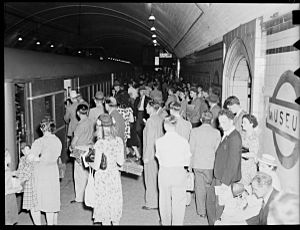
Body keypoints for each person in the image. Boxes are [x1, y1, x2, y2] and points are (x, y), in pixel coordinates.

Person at [206, 109, 242, 225]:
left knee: (219, 208)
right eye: (220, 122)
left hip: (224, 180)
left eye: (224, 122)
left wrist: (225, 184)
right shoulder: (227, 134)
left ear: (232, 121)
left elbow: (233, 162)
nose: (221, 125)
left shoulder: (234, 137)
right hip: (218, 177)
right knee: (210, 203)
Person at [87, 114, 125, 225]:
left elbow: (96, 165)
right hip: (114, 177)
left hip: (102, 178)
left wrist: (88, 161)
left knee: (105, 212)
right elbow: (120, 162)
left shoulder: (99, 143)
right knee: (114, 207)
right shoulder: (119, 141)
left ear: (99, 127)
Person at [155, 115, 191, 225]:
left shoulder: (159, 141)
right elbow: (187, 161)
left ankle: (165, 222)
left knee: (164, 200)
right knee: (179, 201)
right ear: (176, 125)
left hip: (165, 172)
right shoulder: (184, 141)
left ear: (165, 126)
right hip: (179, 172)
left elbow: (159, 157)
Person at [29, 118, 62, 225]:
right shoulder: (58, 141)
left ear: (42, 129)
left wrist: (35, 158)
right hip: (53, 172)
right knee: (51, 202)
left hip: (40, 174)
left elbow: (31, 158)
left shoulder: (39, 142)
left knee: (36, 203)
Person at [190, 111, 221, 218]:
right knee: (209, 187)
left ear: (201, 120)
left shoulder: (194, 131)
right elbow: (218, 150)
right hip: (210, 164)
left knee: (199, 187)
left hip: (197, 163)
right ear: (212, 120)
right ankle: (209, 209)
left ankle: (201, 211)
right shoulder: (216, 133)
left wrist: (189, 165)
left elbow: (191, 149)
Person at [142, 100, 164, 210]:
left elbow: (150, 140)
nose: (145, 108)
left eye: (147, 106)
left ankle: (151, 203)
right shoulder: (160, 119)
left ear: (151, 107)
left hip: (151, 153)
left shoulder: (151, 121)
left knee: (149, 179)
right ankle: (157, 201)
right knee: (156, 178)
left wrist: (146, 156)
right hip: (158, 153)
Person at [69, 104, 94, 204]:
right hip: (90, 148)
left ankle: (79, 198)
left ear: (78, 113)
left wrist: (71, 147)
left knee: (79, 175)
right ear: (87, 112)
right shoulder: (91, 122)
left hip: (80, 149)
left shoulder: (80, 125)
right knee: (89, 173)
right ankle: (90, 195)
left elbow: (74, 142)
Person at [170, 101, 193, 205]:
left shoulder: (172, 123)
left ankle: (177, 198)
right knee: (185, 176)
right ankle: (187, 199)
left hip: (175, 154)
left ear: (172, 110)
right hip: (186, 153)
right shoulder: (188, 124)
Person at [13, 143, 38, 214]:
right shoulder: (22, 159)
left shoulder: (33, 159)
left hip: (33, 183)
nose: (27, 152)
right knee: (31, 207)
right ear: (22, 151)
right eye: (24, 150)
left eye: (28, 149)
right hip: (26, 185)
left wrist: (19, 181)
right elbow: (19, 171)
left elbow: (28, 172)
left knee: (36, 206)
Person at [239, 114, 259, 186]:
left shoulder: (254, 137)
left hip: (248, 166)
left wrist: (239, 154)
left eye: (244, 122)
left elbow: (253, 153)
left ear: (251, 124)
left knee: (246, 187)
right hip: (241, 165)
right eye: (242, 122)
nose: (242, 124)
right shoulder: (243, 134)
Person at [5, 149, 22, 225]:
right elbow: (6, 191)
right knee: (9, 221)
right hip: (7, 200)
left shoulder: (7, 170)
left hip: (9, 198)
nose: (10, 157)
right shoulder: (6, 172)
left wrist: (12, 173)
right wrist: (17, 189)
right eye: (8, 155)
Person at [133, 86, 151, 154]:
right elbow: (135, 107)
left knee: (144, 130)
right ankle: (140, 143)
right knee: (137, 130)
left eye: (144, 91)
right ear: (139, 92)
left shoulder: (148, 99)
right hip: (138, 115)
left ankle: (144, 144)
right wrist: (134, 115)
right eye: (141, 91)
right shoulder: (137, 99)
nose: (142, 92)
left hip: (144, 115)